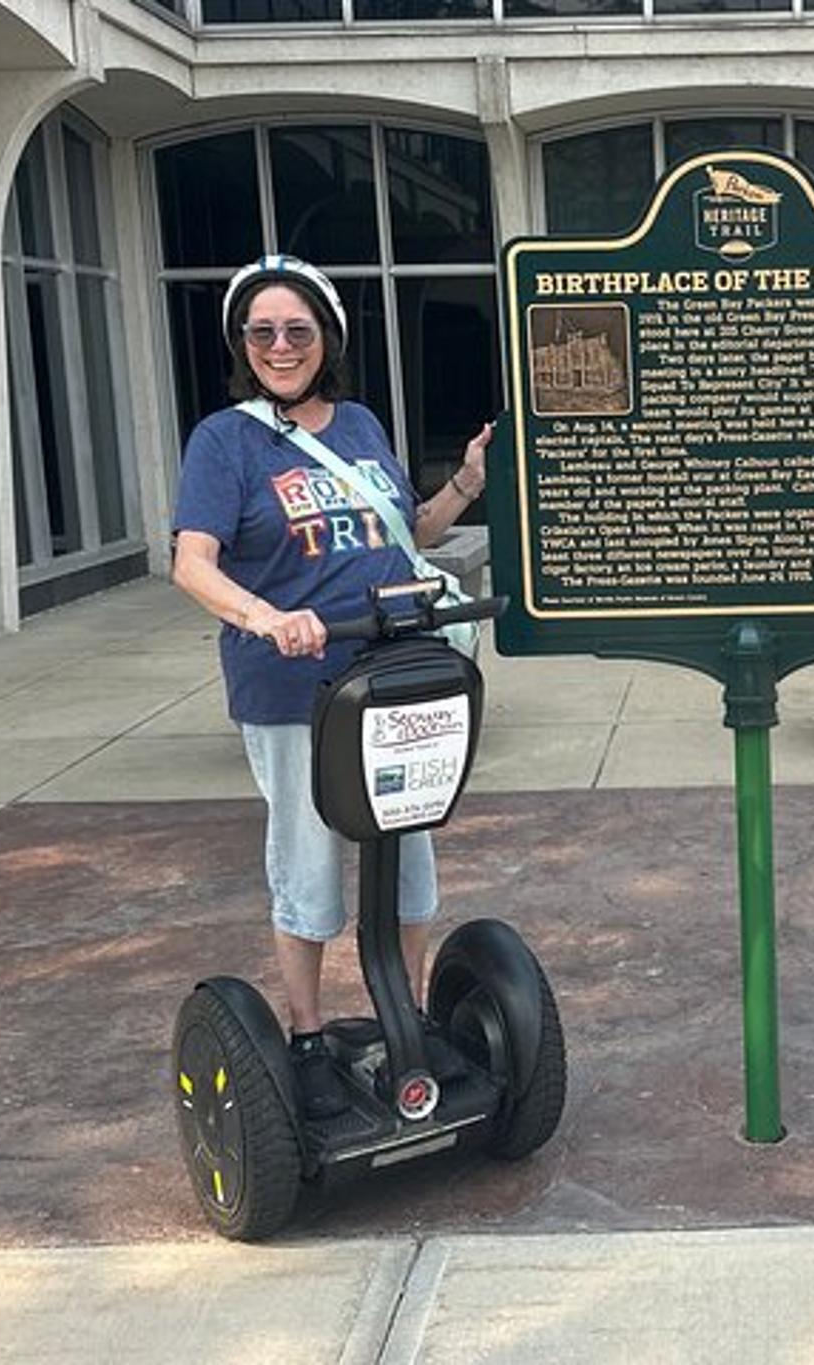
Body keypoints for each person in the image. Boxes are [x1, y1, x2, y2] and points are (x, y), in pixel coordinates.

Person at [171, 254, 492, 1120]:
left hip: (393, 672)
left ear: (328, 338)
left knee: (411, 850)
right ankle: (308, 1035)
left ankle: (409, 1021)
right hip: (292, 686)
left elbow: (403, 534)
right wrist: (265, 615)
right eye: (263, 331)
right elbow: (190, 564)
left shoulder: (356, 424)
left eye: (298, 330)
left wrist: (464, 483)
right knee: (309, 861)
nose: (280, 345)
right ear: (243, 342)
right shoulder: (225, 440)